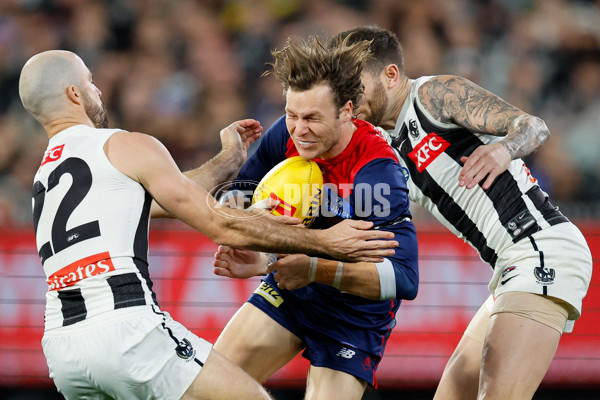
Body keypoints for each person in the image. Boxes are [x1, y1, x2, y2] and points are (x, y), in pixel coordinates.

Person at [19, 50, 399, 400]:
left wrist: (229, 157)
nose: (98, 90)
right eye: (90, 82)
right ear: (73, 93)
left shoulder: (46, 180)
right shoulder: (121, 144)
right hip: (125, 329)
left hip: (63, 349)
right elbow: (221, 225)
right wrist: (324, 242)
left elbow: (168, 193)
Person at [329, 26, 593, 400]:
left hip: (540, 247)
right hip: (509, 265)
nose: (348, 98)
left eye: (355, 84)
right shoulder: (383, 146)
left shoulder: (433, 95)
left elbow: (534, 126)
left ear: (390, 75)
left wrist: (504, 149)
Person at [211, 36, 419, 400]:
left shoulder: (377, 171)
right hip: (292, 291)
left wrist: (313, 269)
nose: (299, 129)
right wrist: (251, 235)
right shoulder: (286, 134)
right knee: (205, 390)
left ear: (346, 111)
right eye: (291, 115)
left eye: (311, 118)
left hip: (353, 318)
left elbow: (404, 279)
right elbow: (239, 194)